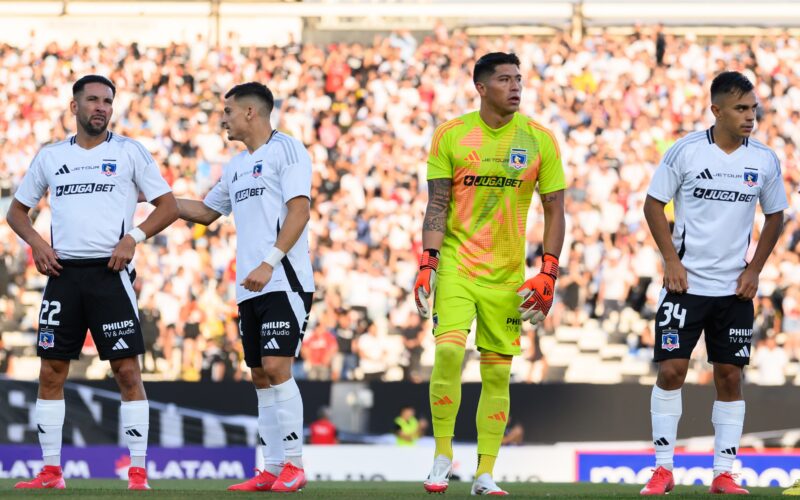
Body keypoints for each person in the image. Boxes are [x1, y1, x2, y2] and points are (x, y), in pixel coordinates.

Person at [6, 75, 178, 490]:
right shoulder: (50, 157)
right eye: (93, 100)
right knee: (51, 372)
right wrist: (37, 245)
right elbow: (16, 212)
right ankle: (50, 472)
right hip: (63, 276)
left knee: (126, 372)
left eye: (107, 102)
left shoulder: (129, 152)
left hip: (110, 274)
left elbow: (168, 205)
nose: (101, 107)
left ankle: (138, 472)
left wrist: (132, 237)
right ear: (74, 107)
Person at [414, 52, 566, 495]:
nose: (515, 86)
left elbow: (555, 209)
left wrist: (549, 272)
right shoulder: (452, 135)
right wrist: (428, 262)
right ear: (481, 87)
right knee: (447, 355)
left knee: (497, 374)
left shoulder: (539, 139)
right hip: (458, 266)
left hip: (506, 275)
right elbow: (436, 204)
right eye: (504, 79)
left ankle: (485, 472)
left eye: (519, 78)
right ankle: (443, 454)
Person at [640, 71, 787, 496]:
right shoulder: (684, 152)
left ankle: (725, 472)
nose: (750, 116)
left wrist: (754, 269)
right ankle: (663, 469)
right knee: (671, 371)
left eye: (753, 108)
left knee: (729, 376)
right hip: (684, 287)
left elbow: (776, 214)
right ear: (716, 110)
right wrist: (671, 260)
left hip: (734, 290)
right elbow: (653, 205)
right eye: (741, 108)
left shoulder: (763, 159)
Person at [173, 82, 314, 493]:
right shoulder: (235, 165)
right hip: (249, 286)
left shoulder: (287, 150)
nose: (224, 119)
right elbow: (204, 211)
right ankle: (270, 468)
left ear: (251, 112)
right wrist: (158, 197)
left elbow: (300, 211)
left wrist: (270, 263)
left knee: (276, 367)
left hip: (282, 279)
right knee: (258, 374)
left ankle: (295, 464)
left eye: (229, 111)